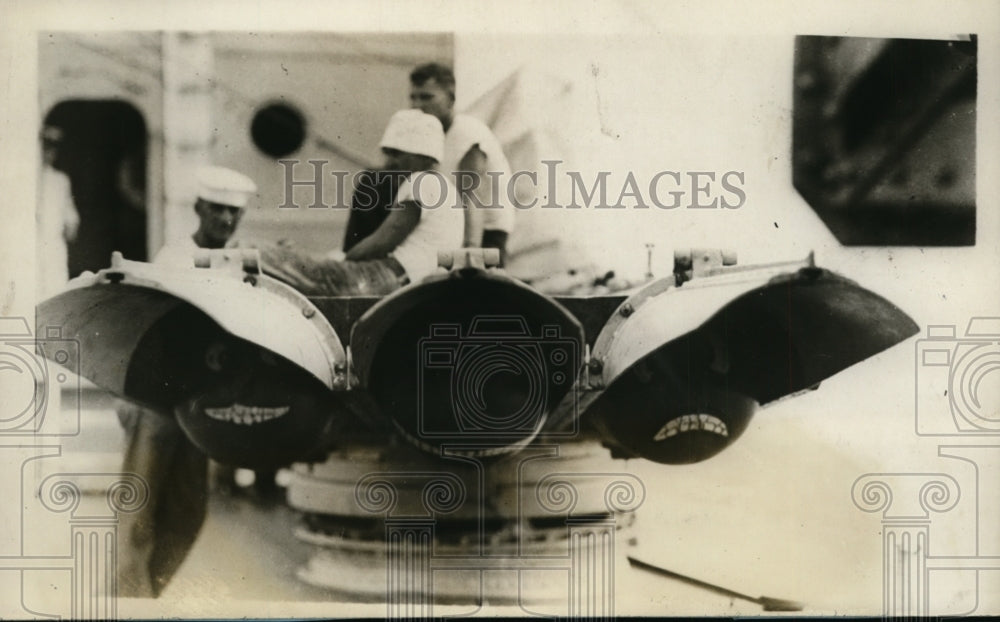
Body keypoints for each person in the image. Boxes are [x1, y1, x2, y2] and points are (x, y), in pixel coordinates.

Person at [116, 165, 256, 598]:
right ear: (198, 207)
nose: (226, 220)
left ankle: (147, 595)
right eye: (217, 209)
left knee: (188, 513)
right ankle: (126, 601)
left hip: (196, 400)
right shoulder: (173, 257)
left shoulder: (240, 261)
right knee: (138, 510)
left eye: (233, 212)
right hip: (156, 397)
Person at [259, 109, 463, 295]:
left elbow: (380, 243)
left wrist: (338, 260)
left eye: (397, 154)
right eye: (389, 154)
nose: (390, 163)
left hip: (392, 276)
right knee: (298, 264)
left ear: (424, 155)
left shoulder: (422, 181)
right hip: (406, 278)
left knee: (267, 258)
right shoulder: (444, 187)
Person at [409, 63, 515, 266]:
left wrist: (471, 253)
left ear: (451, 100)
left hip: (486, 234)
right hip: (454, 229)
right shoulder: (431, 137)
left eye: (426, 97)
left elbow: (472, 196)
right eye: (413, 98)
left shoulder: (468, 135)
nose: (417, 106)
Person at [36, 124, 80, 300]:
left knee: (54, 293)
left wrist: (71, 224)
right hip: (31, 245)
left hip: (53, 247)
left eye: (52, 148)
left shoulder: (60, 180)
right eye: (45, 147)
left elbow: (70, 218)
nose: (48, 153)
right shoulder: (26, 175)